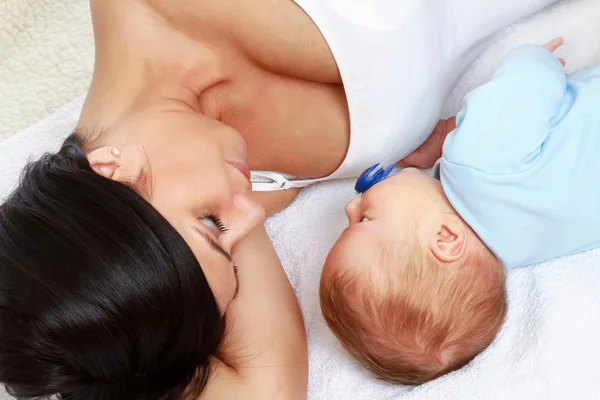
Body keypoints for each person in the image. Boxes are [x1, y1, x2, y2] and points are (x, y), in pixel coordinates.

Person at [0, 0, 560, 398]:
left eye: (212, 223)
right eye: (233, 254)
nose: (252, 211)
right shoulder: (205, 174)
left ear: (111, 168)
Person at [319, 37, 599, 386]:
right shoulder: (472, 161)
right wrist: (535, 58)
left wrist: (444, 138)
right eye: (363, 220)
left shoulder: (523, 246)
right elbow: (526, 87)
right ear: (447, 238)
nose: (350, 205)